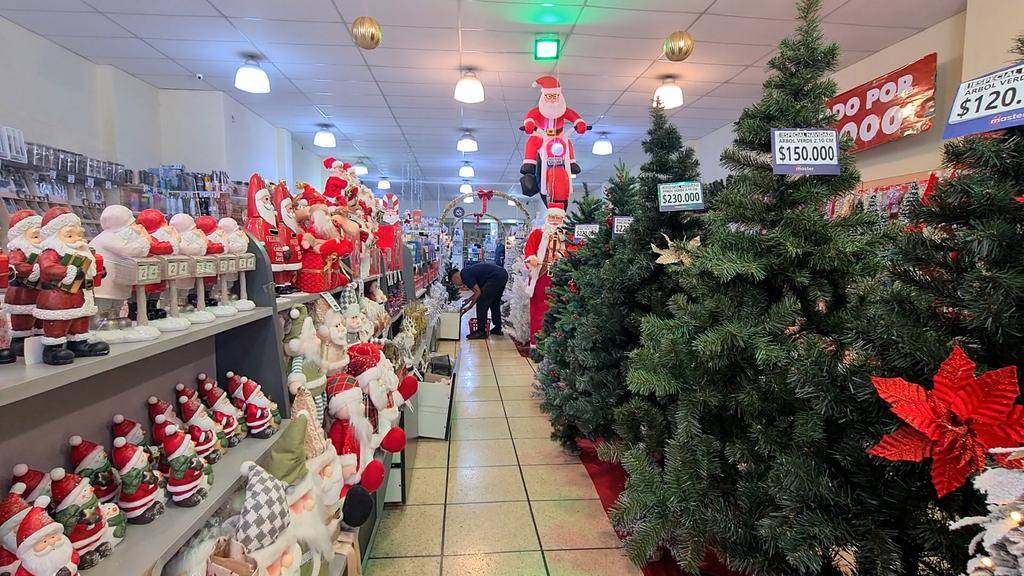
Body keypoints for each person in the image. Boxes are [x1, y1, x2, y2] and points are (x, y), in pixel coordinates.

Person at [449, 263, 508, 339]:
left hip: (495, 277)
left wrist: (469, 307)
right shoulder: (466, 272)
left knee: (481, 302)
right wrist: (469, 299)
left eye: (455, 283)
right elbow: (479, 290)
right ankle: (497, 328)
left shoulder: (464, 276)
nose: (457, 285)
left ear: (455, 278)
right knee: (494, 302)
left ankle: (481, 332)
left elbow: (478, 292)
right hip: (502, 274)